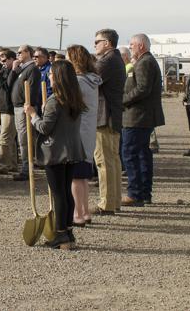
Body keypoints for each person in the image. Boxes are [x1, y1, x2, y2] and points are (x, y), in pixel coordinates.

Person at [27, 60, 87, 250]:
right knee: (66, 192)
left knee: (59, 194)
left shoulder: (55, 100)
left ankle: (61, 234)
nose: (49, 76)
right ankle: (68, 232)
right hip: (72, 149)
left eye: (52, 74)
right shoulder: (74, 98)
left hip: (55, 151)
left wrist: (33, 115)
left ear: (59, 77)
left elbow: (45, 128)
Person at [120, 34, 165, 206]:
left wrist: (122, 100)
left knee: (131, 153)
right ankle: (143, 192)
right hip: (140, 116)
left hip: (137, 116)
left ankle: (135, 193)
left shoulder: (145, 62)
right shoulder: (144, 61)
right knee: (141, 154)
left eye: (132, 44)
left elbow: (142, 88)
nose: (130, 47)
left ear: (141, 45)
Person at [66, 45, 101, 225]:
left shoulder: (79, 82)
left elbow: (70, 106)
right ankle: (84, 212)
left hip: (78, 133)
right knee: (82, 178)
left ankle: (78, 214)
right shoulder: (91, 80)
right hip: (87, 132)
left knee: (76, 178)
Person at [92, 29, 125, 215]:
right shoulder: (115, 59)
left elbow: (90, 82)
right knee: (112, 160)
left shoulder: (106, 61)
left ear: (107, 43)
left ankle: (107, 203)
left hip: (105, 117)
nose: (94, 45)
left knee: (104, 161)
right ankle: (114, 200)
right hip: (112, 116)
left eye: (97, 41)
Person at [9, 45, 41, 181]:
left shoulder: (32, 69)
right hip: (17, 107)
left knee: (25, 139)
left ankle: (27, 169)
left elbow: (33, 90)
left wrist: (28, 105)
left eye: (20, 52)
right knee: (22, 139)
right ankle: (26, 166)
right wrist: (14, 69)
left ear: (28, 52)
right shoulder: (21, 68)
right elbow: (9, 83)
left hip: (25, 107)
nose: (18, 55)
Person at [0, 48, 18, 172]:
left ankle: (3, 165)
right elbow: (0, 86)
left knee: (5, 138)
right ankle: (12, 164)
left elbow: (7, 86)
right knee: (10, 138)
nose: (2, 63)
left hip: (9, 108)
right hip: (4, 107)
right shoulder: (6, 70)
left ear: (11, 59)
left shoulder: (14, 70)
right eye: (1, 60)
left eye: (4, 60)